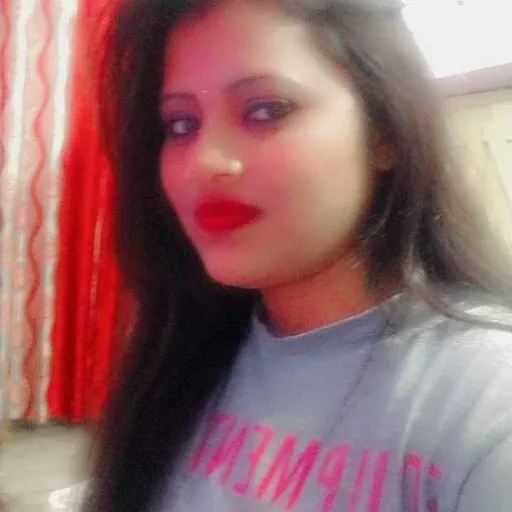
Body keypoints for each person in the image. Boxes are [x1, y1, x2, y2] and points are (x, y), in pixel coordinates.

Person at [85, 0, 512, 511]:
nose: (203, 162)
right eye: (180, 124)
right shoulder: (187, 355)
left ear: (385, 130)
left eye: (265, 110)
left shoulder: (487, 398)